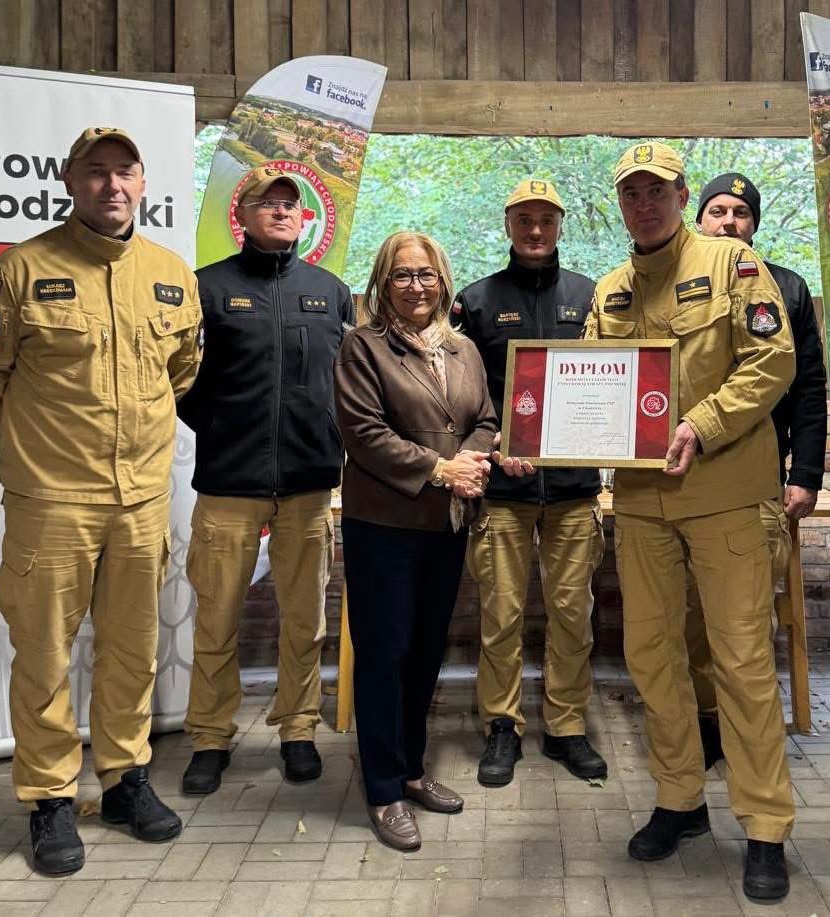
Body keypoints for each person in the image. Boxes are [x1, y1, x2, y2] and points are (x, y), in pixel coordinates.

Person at [0, 127, 202, 875]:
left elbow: (183, 369)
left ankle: (126, 780)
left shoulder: (169, 273)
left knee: (132, 650)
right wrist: (45, 440)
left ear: (143, 182)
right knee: (43, 654)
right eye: (94, 173)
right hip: (51, 500)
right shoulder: (18, 272)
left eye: (123, 172)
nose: (111, 185)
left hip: (139, 501)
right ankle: (48, 798)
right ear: (69, 181)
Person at [582, 142, 796, 902]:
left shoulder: (735, 267)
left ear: (679, 197)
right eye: (630, 192)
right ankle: (679, 799)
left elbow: (772, 363)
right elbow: (582, 386)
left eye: (658, 189)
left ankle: (765, 823)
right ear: (621, 204)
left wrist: (700, 424)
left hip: (727, 496)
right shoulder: (608, 291)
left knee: (739, 663)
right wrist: (540, 434)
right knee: (651, 657)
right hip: (640, 505)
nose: (644, 202)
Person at [177, 165, 353, 793]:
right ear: (242, 216)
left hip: (308, 482)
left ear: (305, 218)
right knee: (217, 616)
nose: (282, 211)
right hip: (228, 482)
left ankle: (298, 728)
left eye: (291, 204)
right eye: (267, 203)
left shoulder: (331, 291)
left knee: (304, 617)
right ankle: (210, 736)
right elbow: (182, 384)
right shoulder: (207, 288)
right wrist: (224, 428)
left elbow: (347, 384)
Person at [334, 231, 496, 850]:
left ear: (443, 280)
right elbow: (364, 433)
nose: (416, 286)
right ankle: (381, 790)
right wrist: (440, 469)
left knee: (426, 650)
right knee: (383, 655)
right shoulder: (362, 347)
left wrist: (473, 461)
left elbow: (484, 418)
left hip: (444, 525)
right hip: (385, 527)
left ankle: (411, 770)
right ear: (383, 283)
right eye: (402, 276)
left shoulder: (463, 350)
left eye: (426, 275)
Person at [454, 179, 606, 787]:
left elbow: (607, 385)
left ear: (560, 225)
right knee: (502, 613)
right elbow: (462, 396)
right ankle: (501, 727)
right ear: (508, 224)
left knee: (573, 614)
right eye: (524, 219)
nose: (535, 230)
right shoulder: (475, 300)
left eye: (546, 219)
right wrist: (494, 444)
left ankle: (567, 728)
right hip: (504, 491)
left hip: (572, 491)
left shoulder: (591, 297)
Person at [687, 172, 829, 766]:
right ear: (699, 219)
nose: (728, 222)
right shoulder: (678, 284)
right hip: (682, 480)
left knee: (743, 623)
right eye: (717, 210)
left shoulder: (787, 288)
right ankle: (705, 724)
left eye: (740, 213)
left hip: (757, 485)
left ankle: (751, 735)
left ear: (755, 224)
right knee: (691, 618)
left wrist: (806, 475)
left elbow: (809, 388)